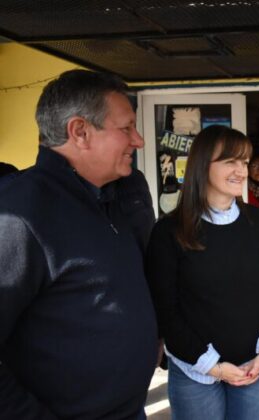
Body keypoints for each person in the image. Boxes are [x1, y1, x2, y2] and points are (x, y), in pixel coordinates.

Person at [0, 70, 158, 419]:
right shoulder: (19, 214)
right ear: (80, 132)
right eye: (126, 128)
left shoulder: (121, 193)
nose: (139, 141)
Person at [145, 125, 259, 420]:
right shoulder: (169, 231)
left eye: (244, 162)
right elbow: (166, 309)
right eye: (230, 161)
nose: (241, 171)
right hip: (194, 371)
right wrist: (212, 366)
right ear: (202, 165)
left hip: (252, 368)